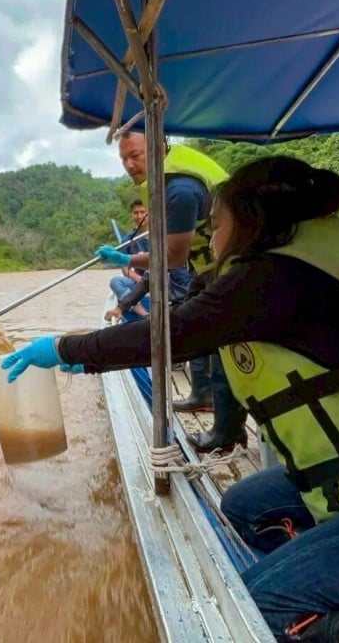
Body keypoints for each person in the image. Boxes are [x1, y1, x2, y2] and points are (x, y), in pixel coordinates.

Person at [1, 156, 339, 642]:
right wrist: (121, 292)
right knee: (247, 506)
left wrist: (65, 349)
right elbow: (199, 302)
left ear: (250, 219)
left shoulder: (278, 277)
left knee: (253, 612)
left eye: (216, 224)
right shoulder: (307, 252)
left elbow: (176, 331)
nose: (211, 237)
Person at [98, 131, 244, 450]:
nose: (129, 164)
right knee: (199, 329)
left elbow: (171, 257)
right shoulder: (165, 184)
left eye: (135, 155)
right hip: (209, 268)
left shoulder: (179, 190)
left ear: (158, 147)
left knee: (222, 346)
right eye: (123, 158)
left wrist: (125, 259)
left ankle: (227, 432)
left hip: (236, 266)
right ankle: (202, 394)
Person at [108, 199, 150, 318]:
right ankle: (144, 314)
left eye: (143, 212)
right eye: (136, 213)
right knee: (116, 281)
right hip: (139, 281)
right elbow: (125, 269)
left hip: (162, 280)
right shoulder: (128, 240)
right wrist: (141, 280)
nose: (139, 216)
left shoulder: (162, 235)